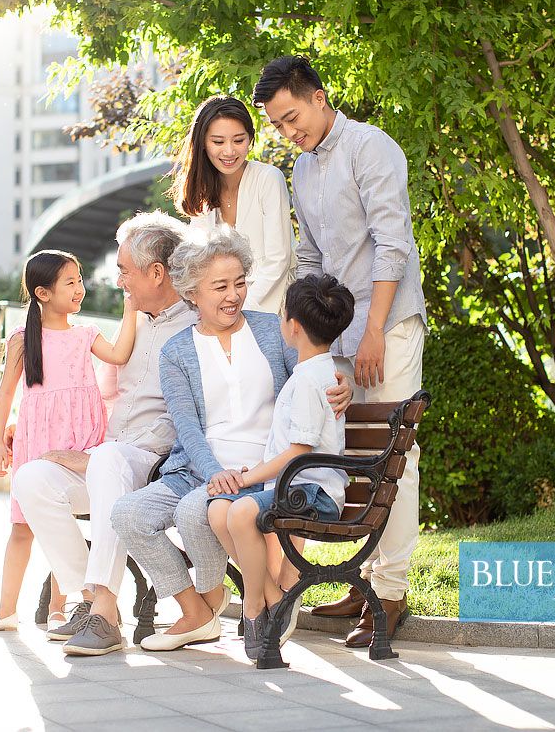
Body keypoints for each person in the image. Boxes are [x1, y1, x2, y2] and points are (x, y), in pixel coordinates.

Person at [253, 55, 427, 647]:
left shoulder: (372, 148)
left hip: (389, 325)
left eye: (291, 117)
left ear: (320, 97)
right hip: (338, 335)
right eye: (278, 125)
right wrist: (308, 339)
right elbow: (311, 260)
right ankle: (365, 580)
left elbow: (392, 244)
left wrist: (374, 328)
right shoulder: (302, 169)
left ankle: (393, 591)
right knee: (349, 455)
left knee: (393, 450)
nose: (288, 132)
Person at [110, 227, 351, 652]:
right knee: (128, 514)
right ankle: (199, 610)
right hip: (200, 470)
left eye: (239, 283)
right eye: (220, 286)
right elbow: (186, 427)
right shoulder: (176, 351)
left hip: (265, 469)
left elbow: (318, 367)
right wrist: (215, 473)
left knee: (194, 511)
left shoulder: (272, 330)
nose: (233, 295)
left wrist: (343, 384)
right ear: (192, 292)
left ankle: (235, 598)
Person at [8, 212, 194, 657]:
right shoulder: (134, 324)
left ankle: (106, 611)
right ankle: (89, 600)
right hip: (110, 457)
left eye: (125, 272)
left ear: (156, 272)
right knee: (31, 478)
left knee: (108, 460)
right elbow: (96, 395)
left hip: (156, 464)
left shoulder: (194, 323)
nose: (119, 282)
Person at [0, 250, 137, 634]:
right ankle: (6, 609)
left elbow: (120, 353)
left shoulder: (86, 335)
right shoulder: (23, 340)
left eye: (79, 280)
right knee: (22, 528)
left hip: (78, 441)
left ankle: (63, 607)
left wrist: (131, 309)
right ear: (43, 293)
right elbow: (5, 395)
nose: (80, 289)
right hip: (35, 440)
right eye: (70, 282)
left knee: (67, 521)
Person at [208, 274, 355, 660]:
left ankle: (255, 608)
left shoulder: (311, 379)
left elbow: (299, 452)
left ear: (292, 326)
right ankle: (275, 597)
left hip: (312, 491)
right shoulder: (313, 373)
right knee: (220, 510)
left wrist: (248, 477)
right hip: (297, 486)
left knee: (239, 510)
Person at [170, 95, 296, 315]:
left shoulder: (268, 178)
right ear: (202, 143)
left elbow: (279, 261)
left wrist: (240, 312)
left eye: (238, 140)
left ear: (250, 139)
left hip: (274, 308)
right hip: (221, 311)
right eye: (218, 142)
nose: (229, 151)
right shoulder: (202, 192)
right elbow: (198, 265)